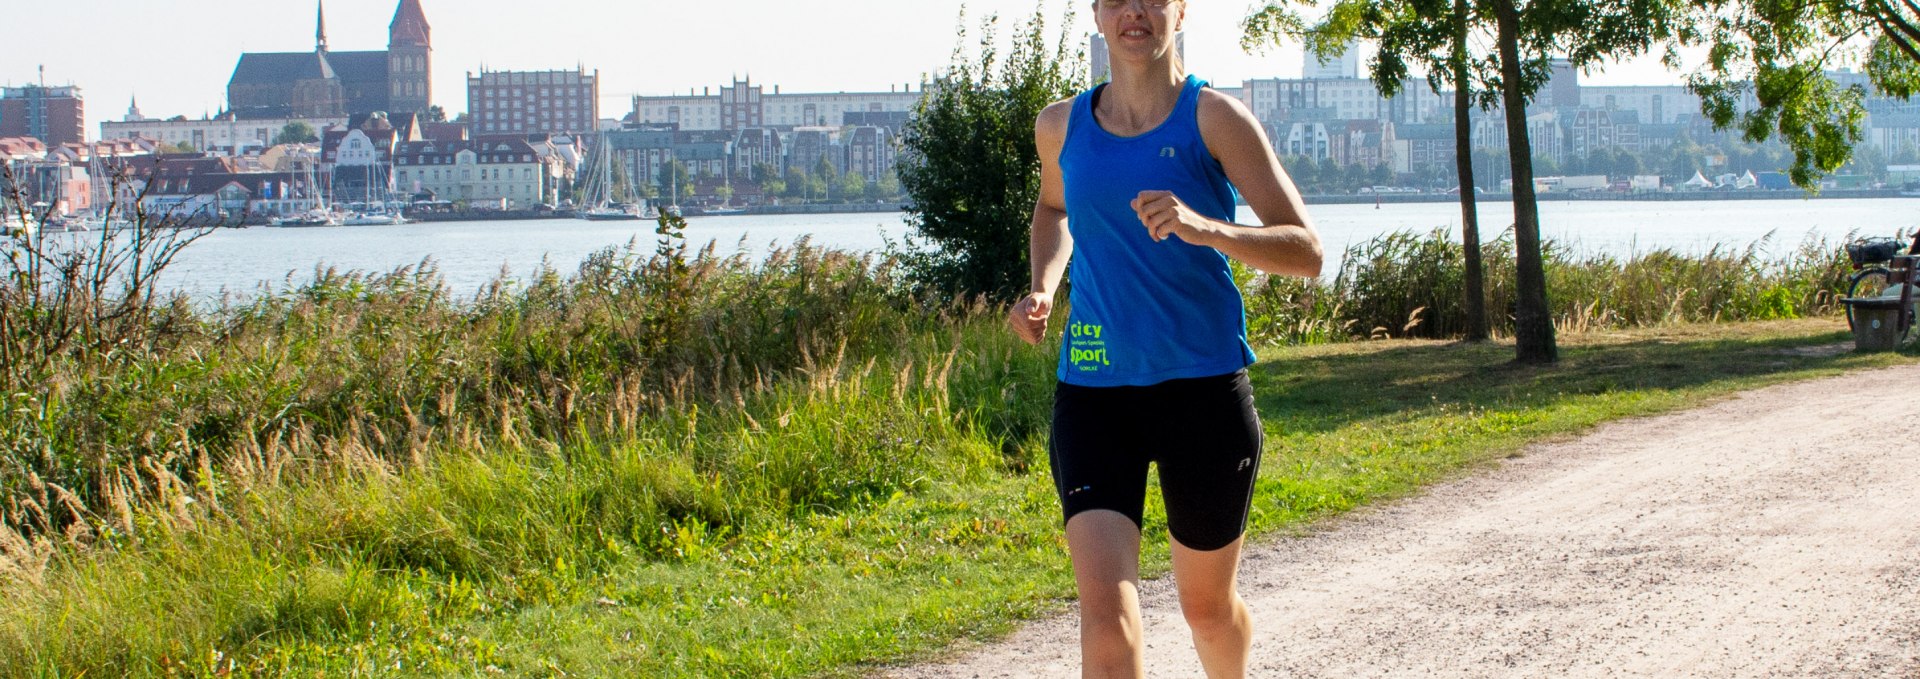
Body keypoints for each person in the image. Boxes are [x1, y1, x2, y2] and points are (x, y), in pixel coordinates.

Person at [1006, 0, 1323, 676]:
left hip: (1202, 390)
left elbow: (1306, 250)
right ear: (1095, 13)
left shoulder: (1216, 119)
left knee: (1206, 609)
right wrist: (1043, 283)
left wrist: (1206, 227)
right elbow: (1054, 206)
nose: (1135, 12)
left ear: (1181, 9)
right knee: (1106, 619)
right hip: (1093, 393)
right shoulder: (1060, 125)